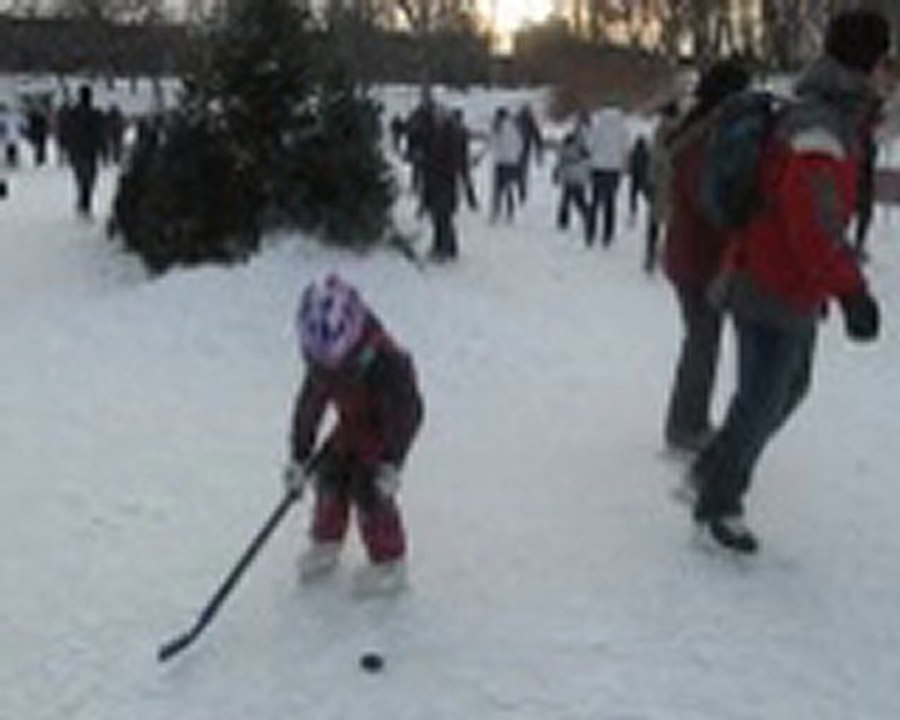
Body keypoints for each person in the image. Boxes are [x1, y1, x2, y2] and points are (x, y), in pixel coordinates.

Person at [686, 10, 888, 554]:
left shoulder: (837, 117)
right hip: (767, 279)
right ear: (870, 62)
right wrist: (852, 291)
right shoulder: (820, 125)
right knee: (763, 395)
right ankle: (718, 505)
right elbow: (814, 220)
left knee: (787, 390)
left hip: (790, 283)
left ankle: (713, 467)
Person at [282, 274, 424, 595]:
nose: (326, 370)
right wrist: (300, 456)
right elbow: (311, 405)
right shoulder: (322, 363)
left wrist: (392, 461)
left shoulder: (388, 361)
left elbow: (409, 412)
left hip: (383, 427)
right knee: (330, 473)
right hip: (351, 421)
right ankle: (326, 540)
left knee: (369, 488)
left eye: (335, 362)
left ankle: (390, 562)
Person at [662, 60, 751, 455]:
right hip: (698, 255)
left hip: (689, 251)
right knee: (702, 341)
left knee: (701, 340)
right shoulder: (709, 138)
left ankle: (688, 419)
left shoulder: (698, 131)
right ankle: (685, 424)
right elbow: (708, 202)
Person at [585, 105, 629, 246]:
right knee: (610, 203)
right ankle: (608, 234)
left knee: (595, 201)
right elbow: (625, 149)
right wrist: (623, 166)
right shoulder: (622, 129)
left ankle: (590, 233)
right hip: (614, 170)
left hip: (598, 168)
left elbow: (589, 145)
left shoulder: (598, 127)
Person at [66, 85, 106, 217]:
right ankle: (85, 202)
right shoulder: (96, 114)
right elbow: (101, 134)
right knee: (89, 178)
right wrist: (104, 149)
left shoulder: (73, 114)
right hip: (89, 150)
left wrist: (68, 148)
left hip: (80, 150)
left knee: (83, 178)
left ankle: (84, 201)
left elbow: (67, 132)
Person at [552, 130, 592, 244]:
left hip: (570, 179)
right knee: (578, 200)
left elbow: (559, 164)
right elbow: (588, 161)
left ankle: (563, 221)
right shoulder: (582, 149)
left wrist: (556, 174)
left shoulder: (564, 150)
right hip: (579, 179)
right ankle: (586, 216)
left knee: (567, 200)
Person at [489, 106, 524, 222]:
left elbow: (493, 144)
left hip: (501, 162)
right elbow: (520, 144)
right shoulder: (515, 127)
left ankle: (495, 212)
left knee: (497, 189)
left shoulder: (497, 127)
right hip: (512, 162)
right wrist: (516, 157)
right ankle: (510, 212)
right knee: (508, 189)